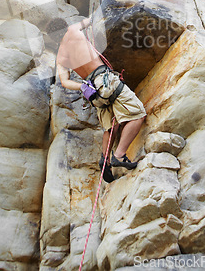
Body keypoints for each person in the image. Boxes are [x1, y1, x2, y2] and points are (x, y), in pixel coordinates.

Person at [56, 16, 146, 183]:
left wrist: (82, 87)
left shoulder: (60, 57)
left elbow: (64, 82)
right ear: (64, 27)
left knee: (112, 125)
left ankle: (104, 160)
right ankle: (119, 155)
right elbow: (90, 20)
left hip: (93, 91)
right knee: (138, 113)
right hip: (105, 80)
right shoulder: (72, 30)